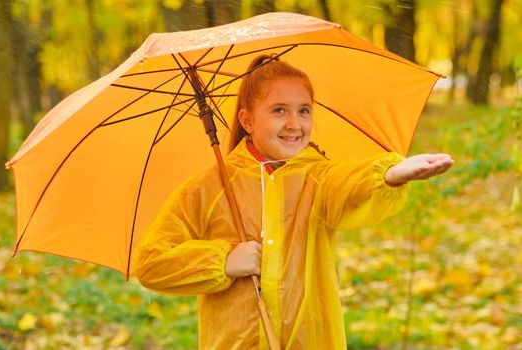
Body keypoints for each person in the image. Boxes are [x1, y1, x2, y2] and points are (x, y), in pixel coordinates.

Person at [135, 55, 453, 349]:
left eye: (303, 110)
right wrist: (223, 262)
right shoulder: (211, 187)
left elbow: (348, 184)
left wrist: (391, 174)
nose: (294, 124)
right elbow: (152, 263)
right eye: (279, 110)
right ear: (247, 121)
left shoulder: (316, 178)